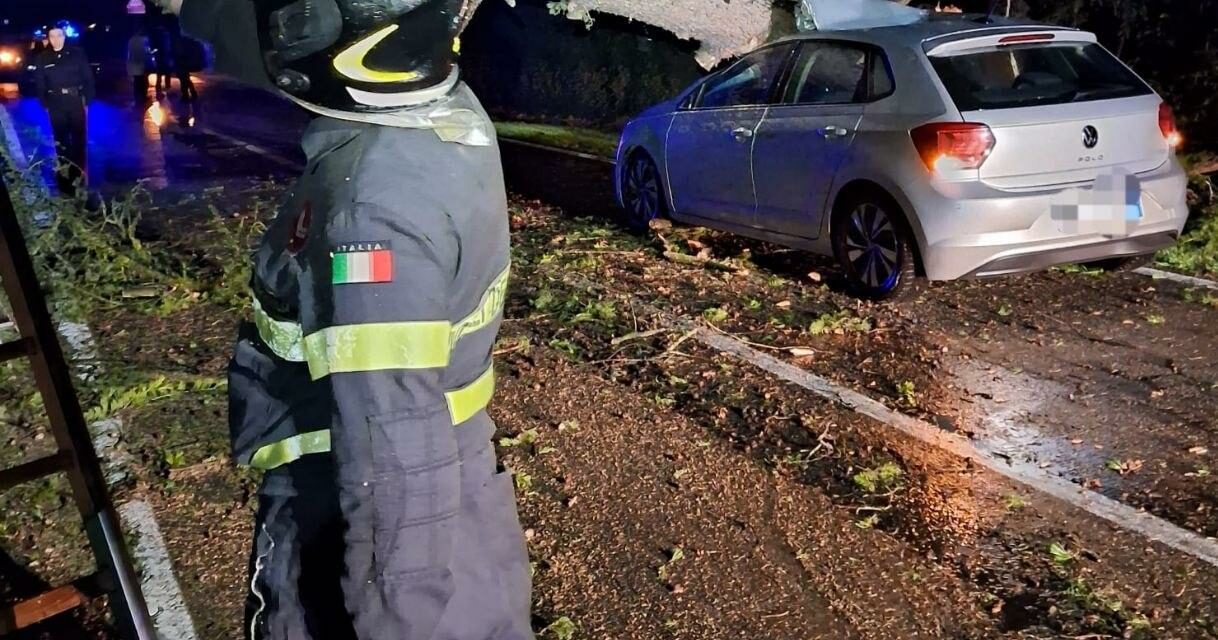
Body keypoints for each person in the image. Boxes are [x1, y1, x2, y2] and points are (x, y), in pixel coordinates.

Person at [153, 0, 533, 638]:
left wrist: (396, 618)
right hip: (462, 512)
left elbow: (396, 448)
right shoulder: (441, 116)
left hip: (358, 524)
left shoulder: (369, 213)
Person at [32, 24, 95, 197]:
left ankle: (80, 176)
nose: (56, 39)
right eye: (52, 36)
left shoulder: (77, 53)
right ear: (48, 38)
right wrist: (44, 105)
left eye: (59, 35)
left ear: (64, 36)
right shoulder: (43, 58)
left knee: (78, 140)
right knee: (61, 141)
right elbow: (40, 84)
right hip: (56, 103)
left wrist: (87, 101)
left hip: (75, 101)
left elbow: (88, 78)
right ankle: (65, 176)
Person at [127, 28, 152, 106]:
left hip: (134, 63)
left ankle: (137, 97)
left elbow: (129, 53)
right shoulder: (144, 40)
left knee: (137, 82)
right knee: (143, 81)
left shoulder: (131, 40)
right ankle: (143, 97)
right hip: (142, 63)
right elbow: (146, 51)